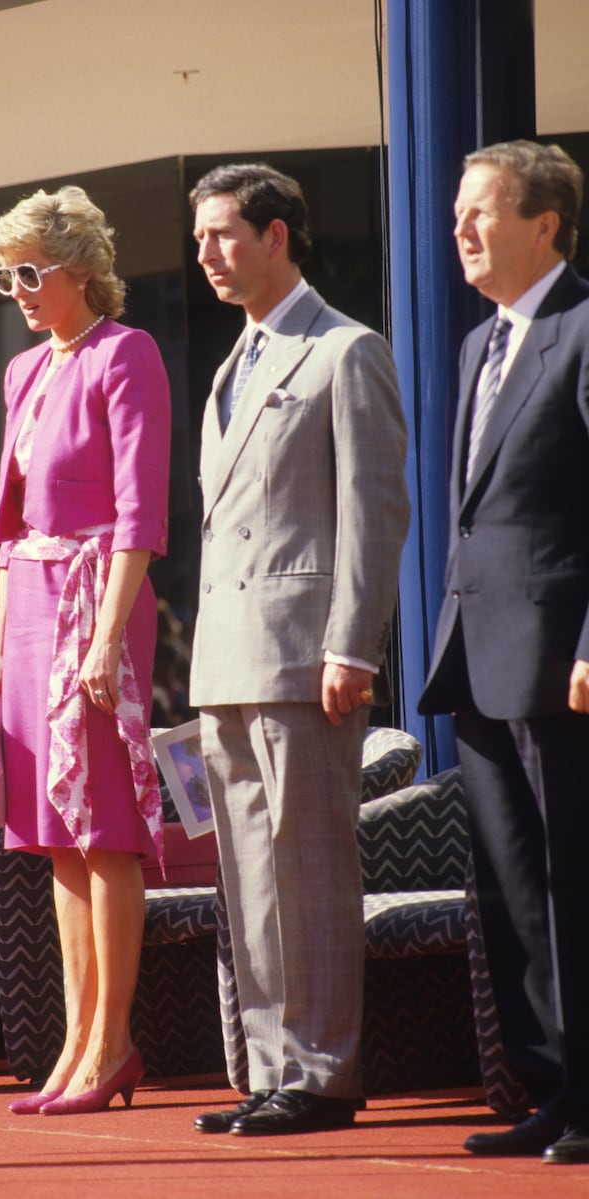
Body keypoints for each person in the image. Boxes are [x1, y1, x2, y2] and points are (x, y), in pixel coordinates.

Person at [188, 164, 409, 1136]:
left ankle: (322, 1071)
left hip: (301, 658)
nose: (204, 254)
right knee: (246, 875)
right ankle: (272, 1063)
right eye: (197, 238)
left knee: (308, 870)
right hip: (225, 663)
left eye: (222, 234)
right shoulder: (231, 363)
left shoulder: (342, 350)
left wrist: (350, 646)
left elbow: (372, 511)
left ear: (278, 235)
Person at [0, 187, 170, 1116]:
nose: (14, 288)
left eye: (28, 271)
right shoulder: (23, 371)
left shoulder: (125, 354)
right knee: (54, 838)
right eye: (3, 273)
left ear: (82, 271)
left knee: (103, 831)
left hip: (100, 599)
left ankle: (115, 1039)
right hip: (27, 605)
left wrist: (105, 641)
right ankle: (74, 1040)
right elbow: (10, 525)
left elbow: (140, 512)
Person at [420, 140, 589, 1165]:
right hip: (474, 655)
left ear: (544, 224)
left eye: (481, 212)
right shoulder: (481, 343)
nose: (461, 231)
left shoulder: (579, 329)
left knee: (571, 882)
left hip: (554, 662)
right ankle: (550, 1084)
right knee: (512, 887)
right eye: (454, 215)